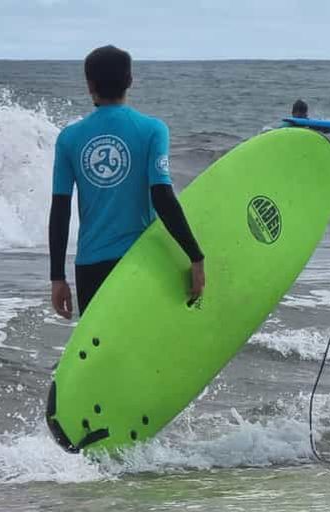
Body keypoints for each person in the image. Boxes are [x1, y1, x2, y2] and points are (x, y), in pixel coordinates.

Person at [49, 45, 205, 319]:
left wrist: (57, 277)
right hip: (140, 262)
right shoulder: (153, 129)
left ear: (89, 85)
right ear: (130, 81)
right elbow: (162, 197)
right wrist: (195, 256)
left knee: (101, 357)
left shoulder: (69, 138)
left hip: (90, 267)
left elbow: (60, 211)